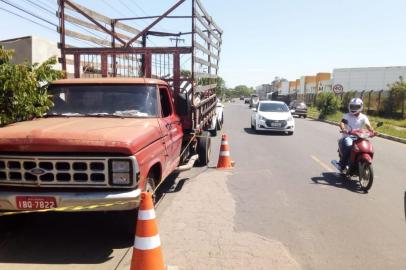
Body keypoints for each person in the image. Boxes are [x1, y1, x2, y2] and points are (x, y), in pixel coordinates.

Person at [338, 98, 374, 171]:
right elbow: (342, 123)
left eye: (356, 107)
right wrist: (344, 129)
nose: (354, 108)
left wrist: (372, 131)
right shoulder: (347, 115)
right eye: (352, 106)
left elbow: (368, 125)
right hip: (348, 136)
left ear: (361, 107)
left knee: (368, 147)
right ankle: (342, 164)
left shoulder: (363, 117)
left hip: (359, 137)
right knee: (349, 146)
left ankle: (360, 162)